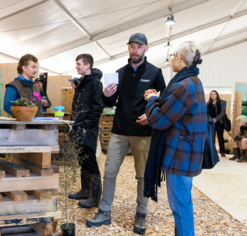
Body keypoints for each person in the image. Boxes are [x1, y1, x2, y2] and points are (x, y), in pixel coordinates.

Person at [86, 33, 166, 235]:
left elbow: (163, 103)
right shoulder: (118, 73)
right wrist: (106, 95)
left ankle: (141, 214)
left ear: (146, 48)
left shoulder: (155, 73)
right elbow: (110, 103)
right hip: (119, 131)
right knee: (110, 171)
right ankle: (104, 211)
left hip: (144, 133)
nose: (135, 50)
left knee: (142, 176)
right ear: (128, 48)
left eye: (139, 47)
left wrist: (150, 117)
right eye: (132, 46)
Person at [144, 41, 207, 236]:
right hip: (188, 152)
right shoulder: (194, 81)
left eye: (173, 56)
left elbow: (159, 120)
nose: (171, 60)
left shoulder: (183, 86)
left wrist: (152, 100)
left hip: (180, 154)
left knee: (180, 207)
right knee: (183, 203)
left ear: (179, 59)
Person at [68, 54, 104, 210]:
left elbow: (97, 108)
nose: (76, 66)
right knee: (82, 159)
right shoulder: (80, 83)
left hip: (87, 130)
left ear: (87, 65)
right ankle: (85, 190)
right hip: (77, 128)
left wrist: (85, 126)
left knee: (90, 161)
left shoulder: (95, 84)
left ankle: (95, 198)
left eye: (78, 64)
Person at [207, 90, 227, 157]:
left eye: (214, 94)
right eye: (211, 94)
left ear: (217, 95)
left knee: (220, 137)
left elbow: (223, 112)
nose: (212, 95)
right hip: (211, 122)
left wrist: (216, 119)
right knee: (212, 137)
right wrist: (211, 119)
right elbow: (206, 113)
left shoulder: (221, 102)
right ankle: (213, 151)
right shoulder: (208, 103)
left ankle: (222, 152)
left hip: (219, 122)